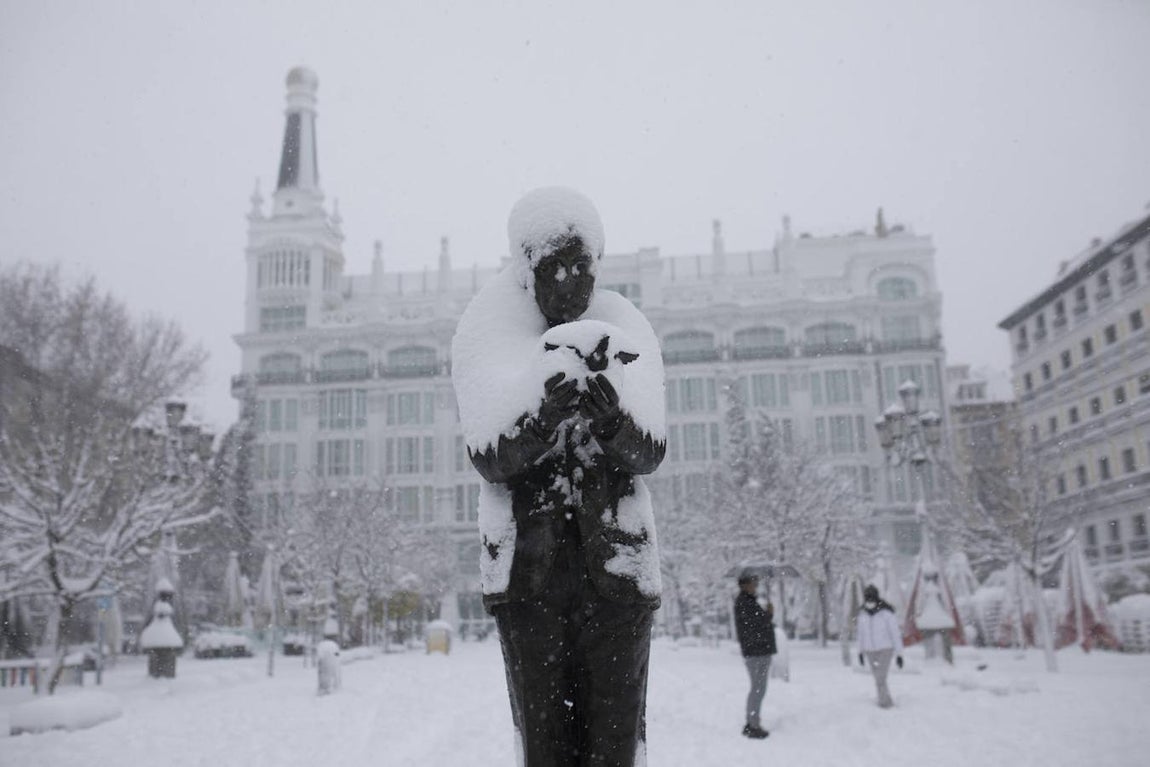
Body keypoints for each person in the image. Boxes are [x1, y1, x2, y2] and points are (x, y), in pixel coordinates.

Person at [452, 187, 666, 766]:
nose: (571, 281)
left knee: (615, 747)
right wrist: (541, 419)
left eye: (582, 266)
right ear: (528, 273)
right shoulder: (487, 333)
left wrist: (613, 423)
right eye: (555, 268)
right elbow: (487, 456)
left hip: (617, 576)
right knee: (545, 749)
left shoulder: (627, 327)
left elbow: (652, 452)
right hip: (529, 581)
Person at [733, 571, 776, 739]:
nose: (756, 586)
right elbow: (758, 625)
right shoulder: (745, 603)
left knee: (758, 688)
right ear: (745, 585)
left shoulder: (747, 602)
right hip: (757, 651)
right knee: (758, 688)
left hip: (757, 650)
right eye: (753, 583)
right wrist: (769, 613)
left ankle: (752, 721)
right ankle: (753, 724)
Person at [857, 584, 904, 708]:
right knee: (878, 678)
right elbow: (860, 634)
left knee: (880, 677)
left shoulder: (886, 614)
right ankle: (884, 699)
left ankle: (885, 703)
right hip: (869, 650)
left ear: (876, 598)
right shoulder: (862, 614)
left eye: (871, 598)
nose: (869, 601)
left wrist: (899, 654)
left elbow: (895, 634)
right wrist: (860, 652)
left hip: (885, 649)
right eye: (867, 598)